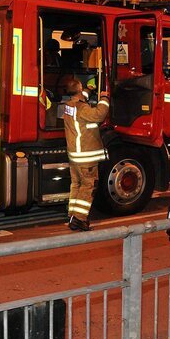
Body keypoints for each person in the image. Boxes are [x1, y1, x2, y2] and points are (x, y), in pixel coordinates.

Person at [62, 78, 110, 231]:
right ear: (78, 88)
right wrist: (104, 98)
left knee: (76, 185)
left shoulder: (69, 106)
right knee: (88, 186)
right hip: (85, 157)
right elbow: (99, 115)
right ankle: (79, 219)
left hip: (75, 156)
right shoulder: (82, 108)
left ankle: (72, 215)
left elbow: (80, 97)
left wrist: (88, 90)